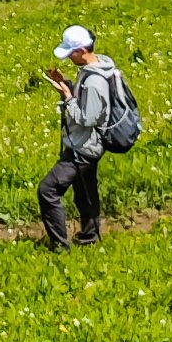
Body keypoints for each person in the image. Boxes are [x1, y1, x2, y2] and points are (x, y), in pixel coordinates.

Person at [38, 23, 124, 250]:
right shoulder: (93, 70)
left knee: (48, 190)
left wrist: (67, 97)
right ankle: (90, 238)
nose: (68, 58)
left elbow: (88, 118)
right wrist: (66, 84)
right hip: (84, 143)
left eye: (70, 53)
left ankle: (60, 246)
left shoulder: (95, 81)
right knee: (85, 194)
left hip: (84, 148)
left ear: (82, 50)